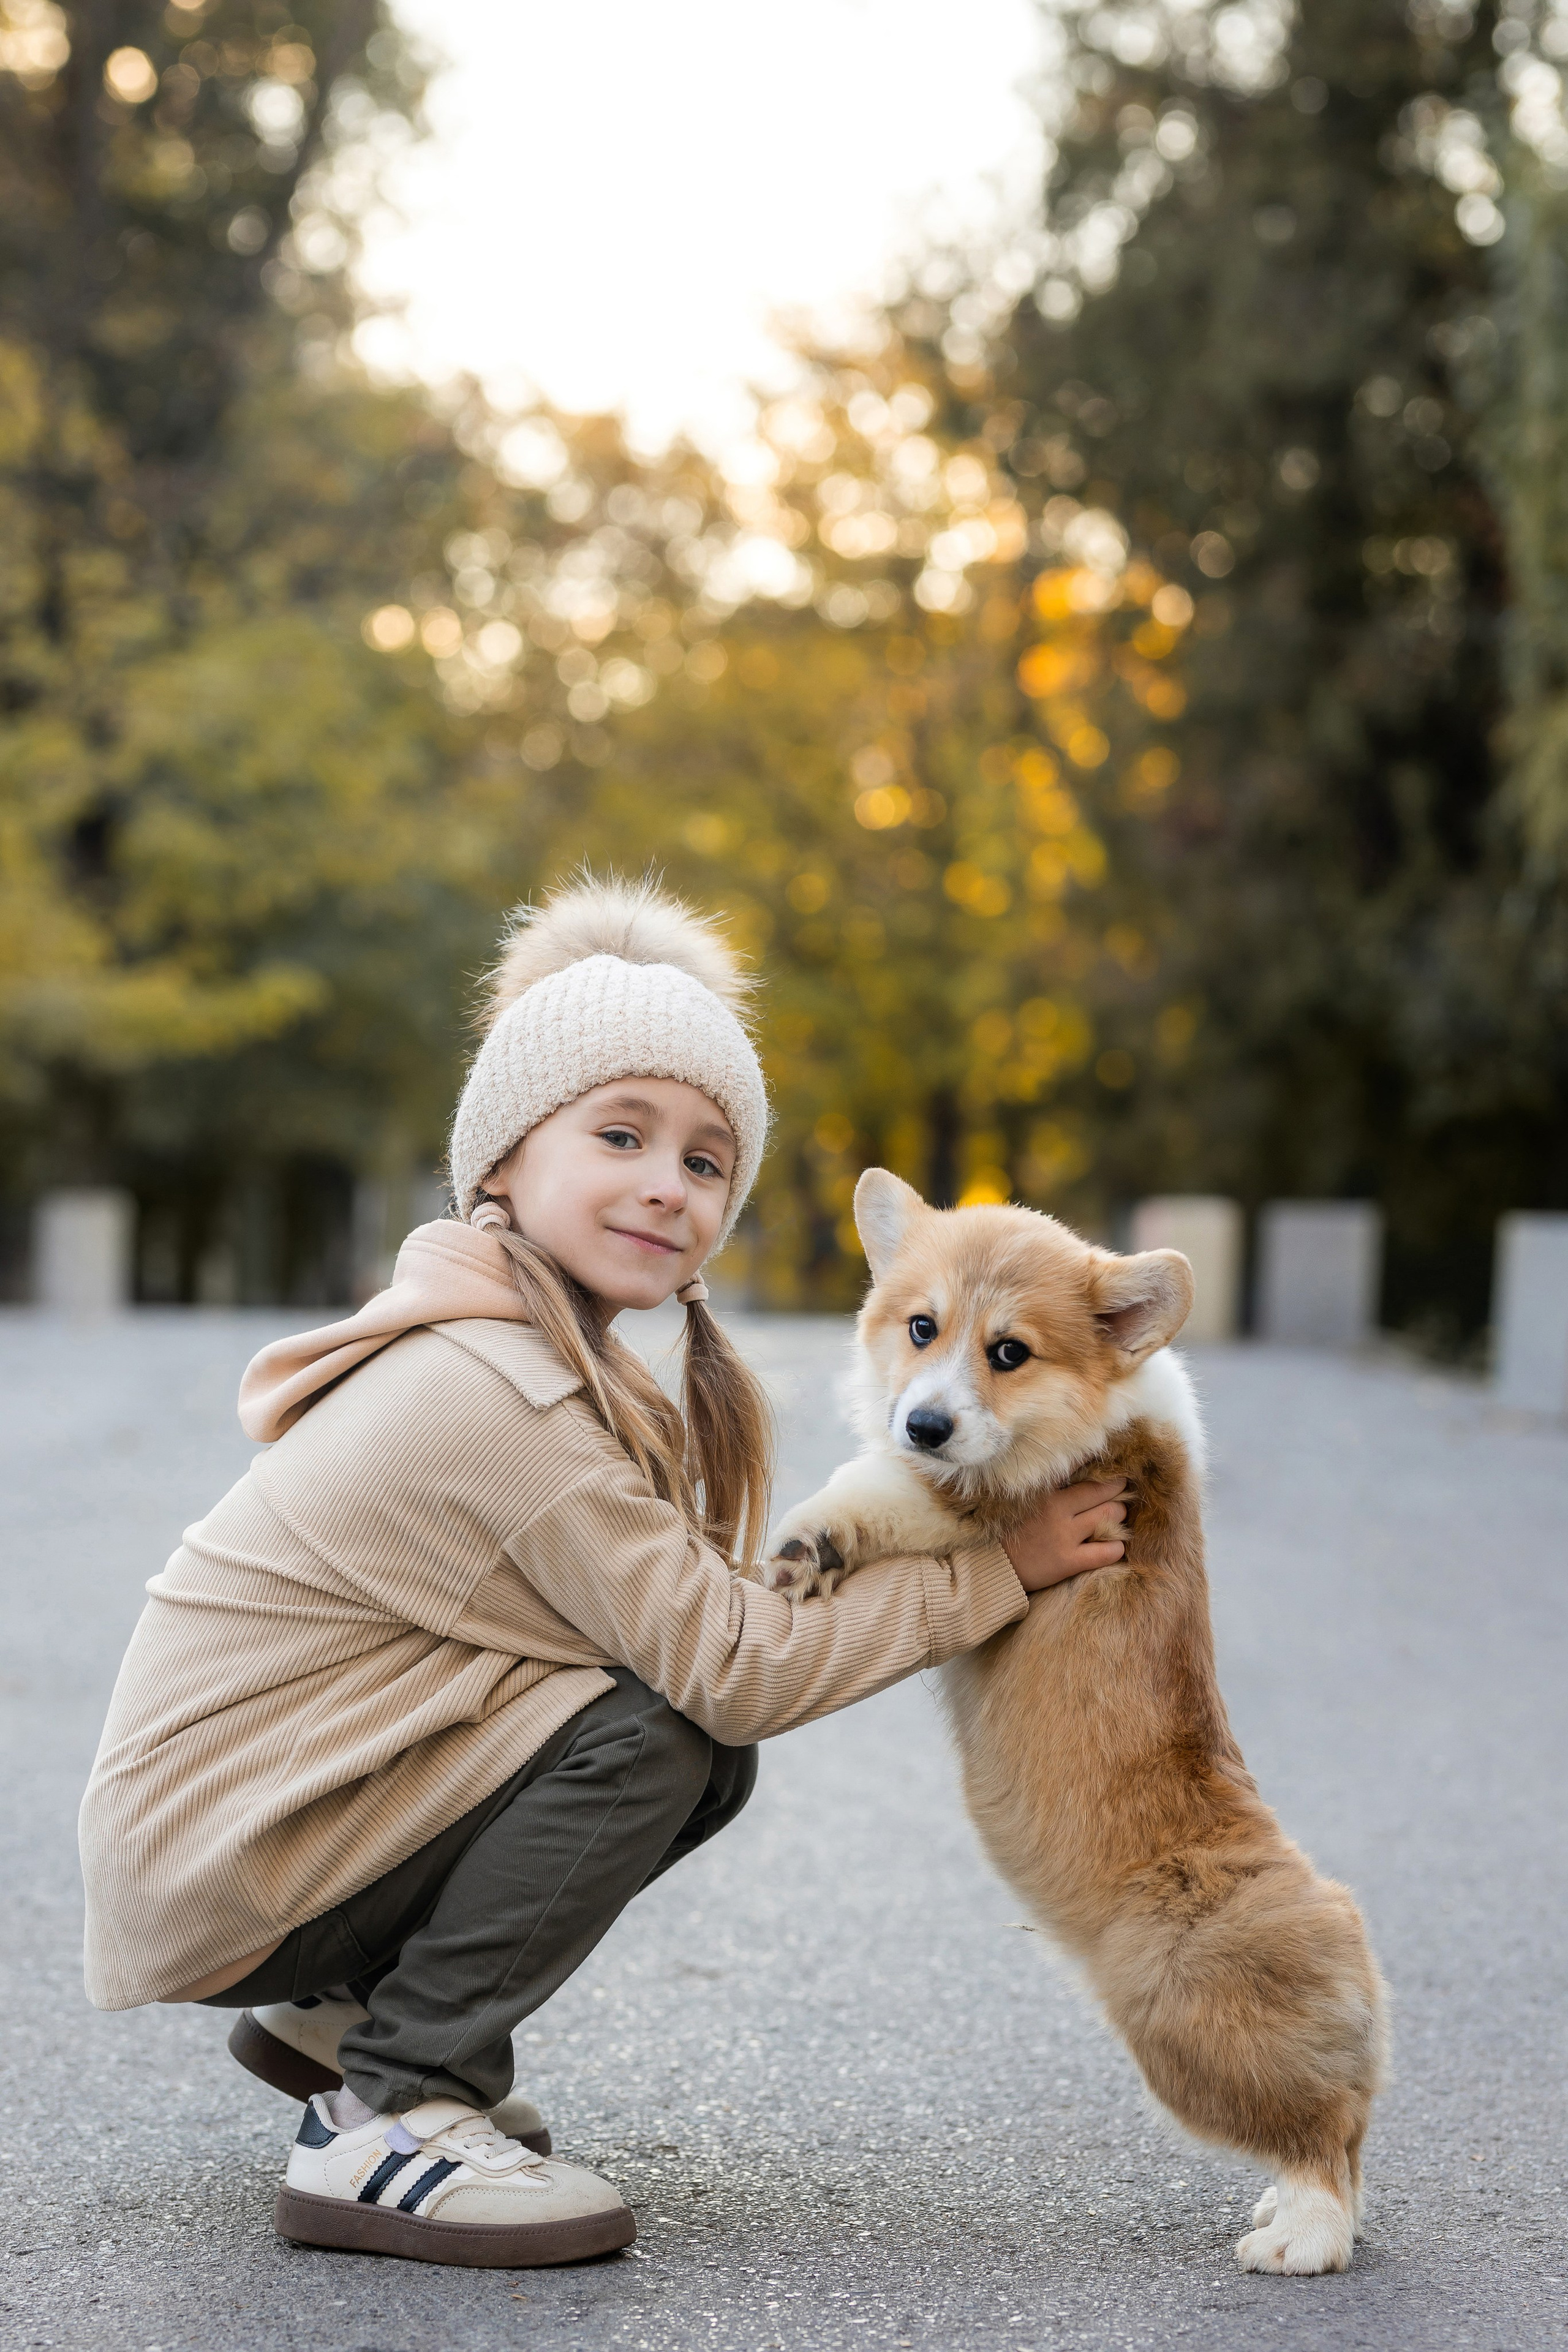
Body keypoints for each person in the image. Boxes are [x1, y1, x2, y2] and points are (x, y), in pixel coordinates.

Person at [78, 876, 1128, 2270]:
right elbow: (735, 1666)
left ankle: (349, 2011)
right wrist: (997, 1570)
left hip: (257, 1832)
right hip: (228, 1862)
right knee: (670, 1726)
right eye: (620, 1134)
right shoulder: (498, 1392)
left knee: (672, 1723)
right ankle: (393, 2110)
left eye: (705, 1162)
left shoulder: (531, 1347)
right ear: (502, 1159)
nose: (666, 1184)